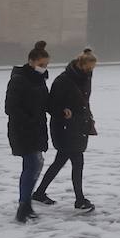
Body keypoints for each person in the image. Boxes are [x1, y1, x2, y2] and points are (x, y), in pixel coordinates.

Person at [32, 48, 98, 213]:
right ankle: (80, 200)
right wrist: (63, 111)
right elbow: (51, 104)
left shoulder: (85, 77)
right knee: (77, 162)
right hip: (64, 127)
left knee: (60, 161)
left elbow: (84, 101)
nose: (91, 71)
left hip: (78, 125)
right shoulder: (63, 81)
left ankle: (39, 193)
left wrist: (88, 118)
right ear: (80, 64)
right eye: (89, 68)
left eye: (93, 68)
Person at [5, 41, 51, 223]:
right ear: (31, 61)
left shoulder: (39, 80)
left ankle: (26, 204)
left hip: (37, 129)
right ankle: (23, 206)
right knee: (32, 165)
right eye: (41, 65)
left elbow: (45, 102)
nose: (43, 68)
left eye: (46, 65)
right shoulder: (19, 79)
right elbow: (10, 107)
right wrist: (30, 118)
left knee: (34, 166)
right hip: (22, 130)